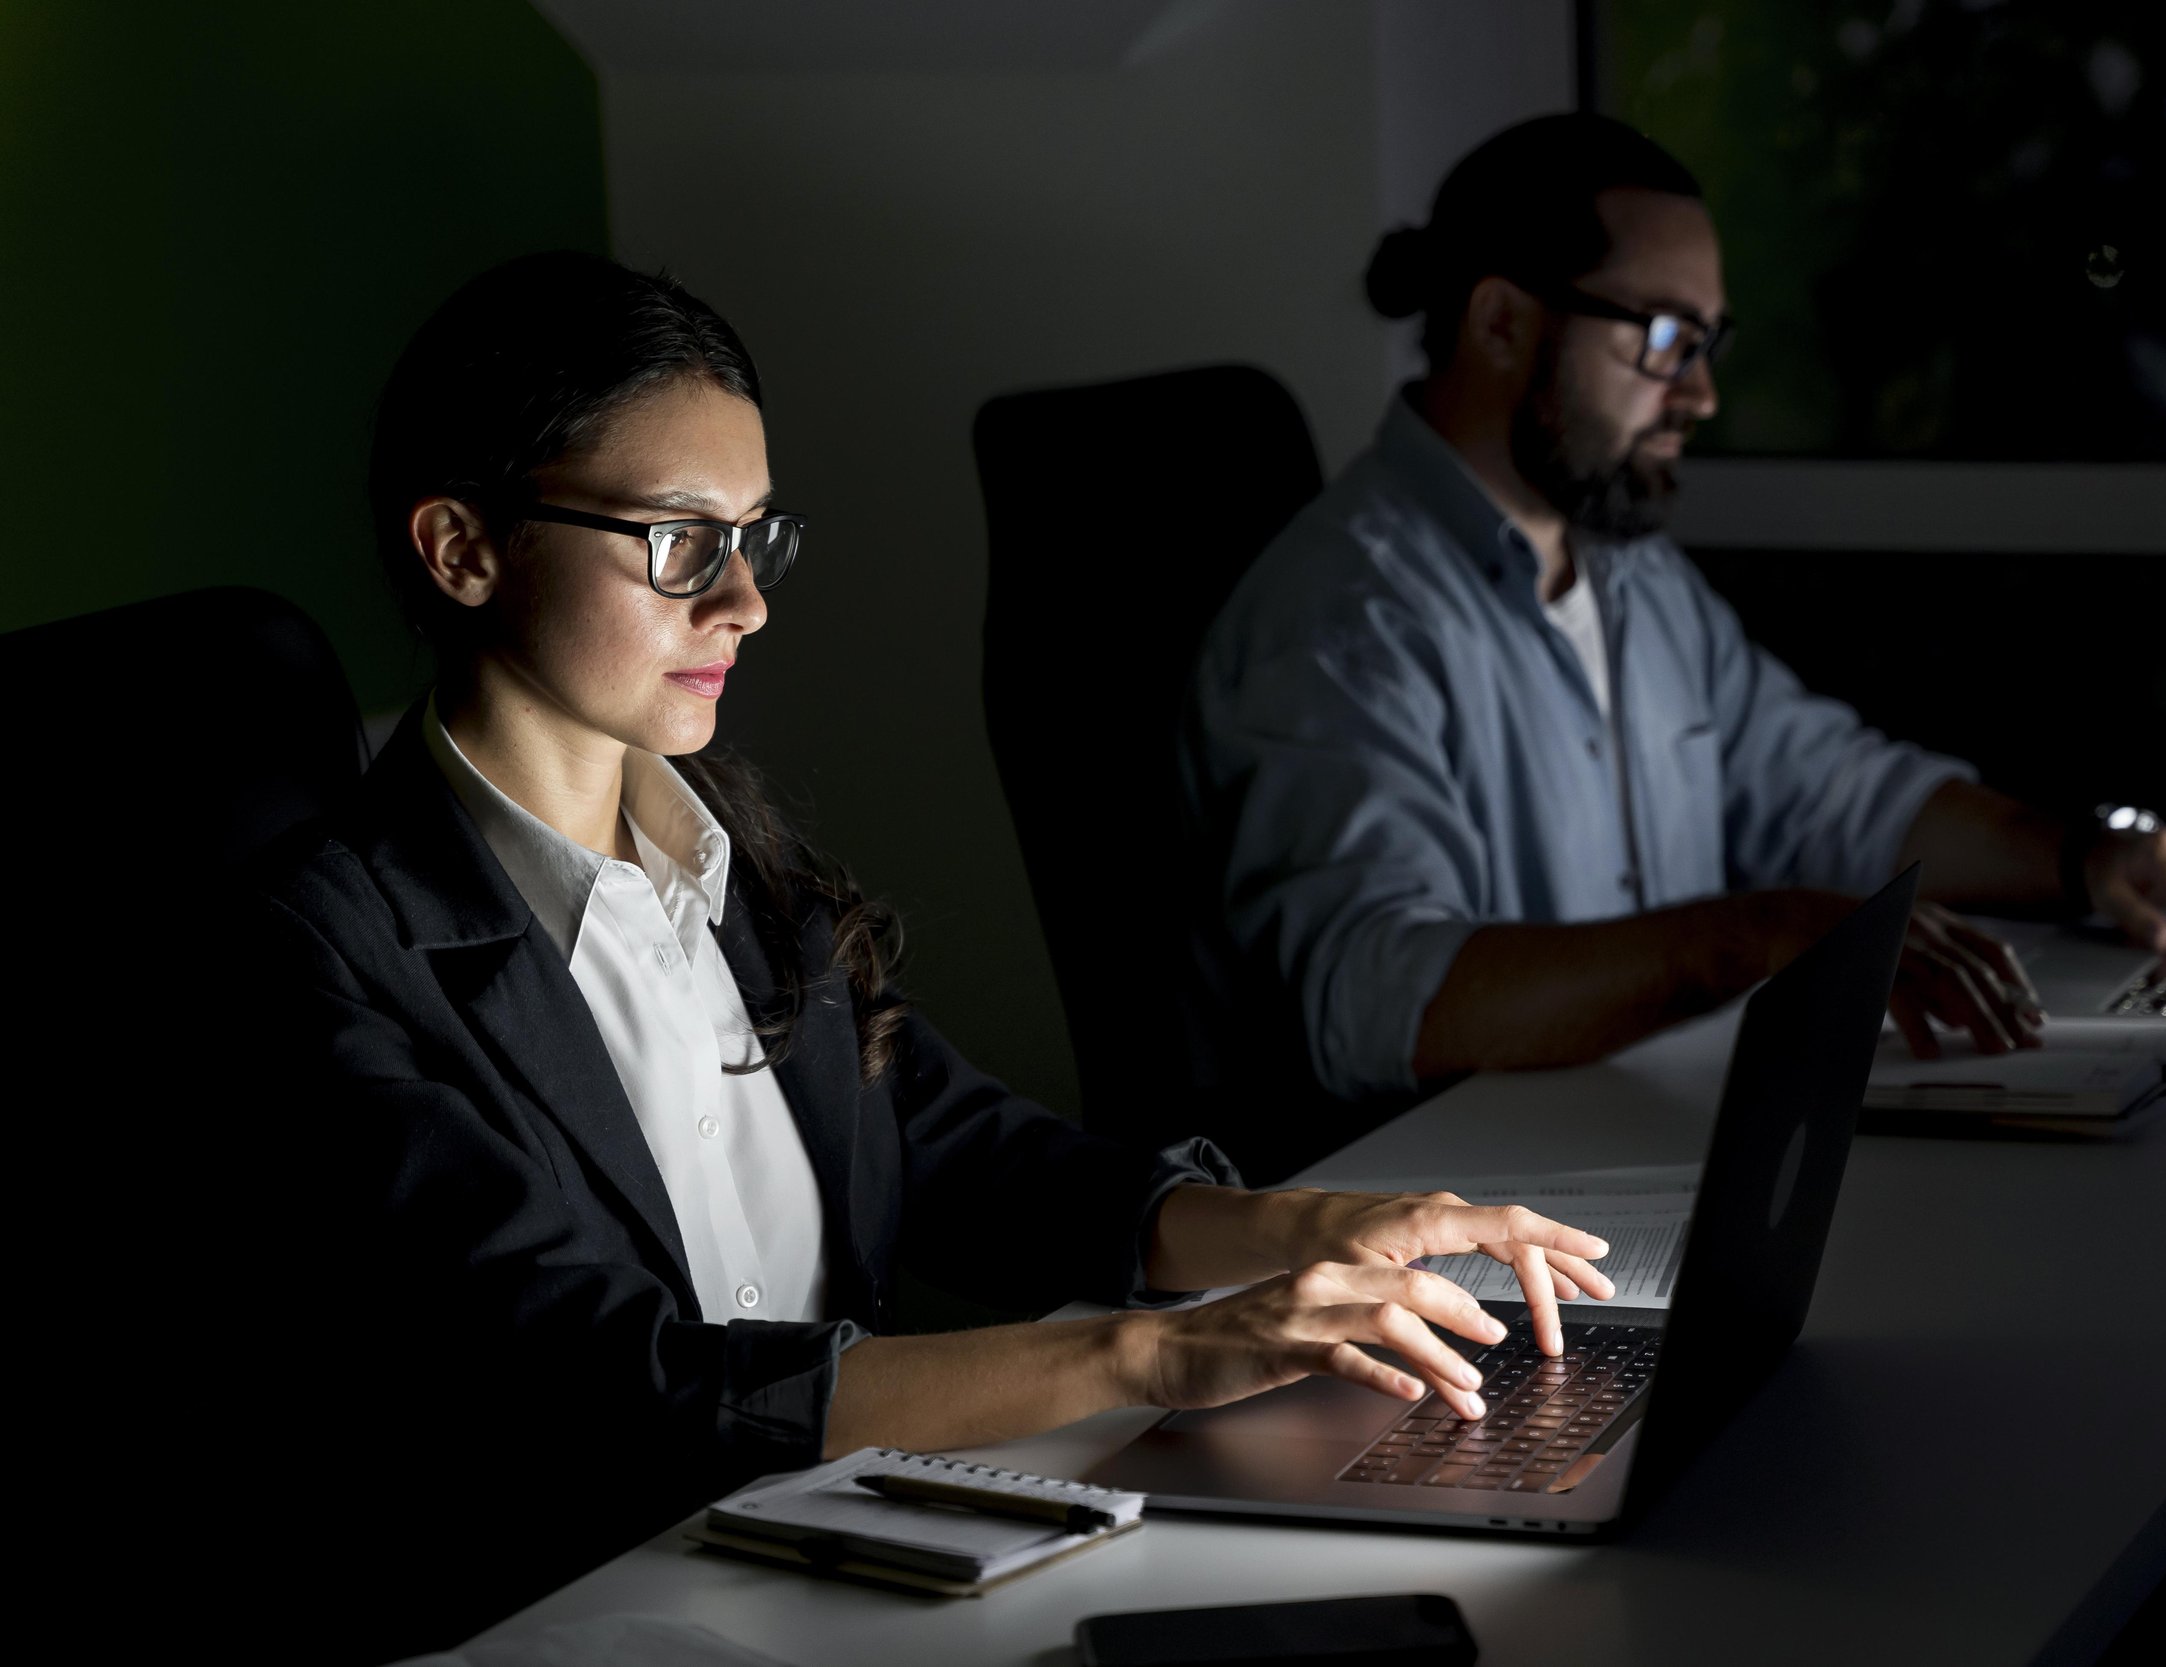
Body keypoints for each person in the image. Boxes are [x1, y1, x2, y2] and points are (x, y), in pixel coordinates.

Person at [228, 252, 1613, 1661]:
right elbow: (612, 1382)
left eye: (757, 537)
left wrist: (1297, 1229)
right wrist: (1160, 1351)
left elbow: (948, 1145)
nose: (745, 603)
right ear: (463, 548)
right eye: (679, 542)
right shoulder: (314, 951)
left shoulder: (721, 851)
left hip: (830, 1553)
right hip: (588, 1612)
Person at [1182, 116, 2166, 1180]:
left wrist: (2088, 852)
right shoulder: (1341, 614)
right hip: (1467, 1223)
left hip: (1650, 1150)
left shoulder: (1627, 572)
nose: (1703, 394)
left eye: (1709, 343)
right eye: (1665, 339)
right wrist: (1738, 937)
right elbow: (1377, 1002)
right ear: (1500, 321)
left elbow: (1834, 790)